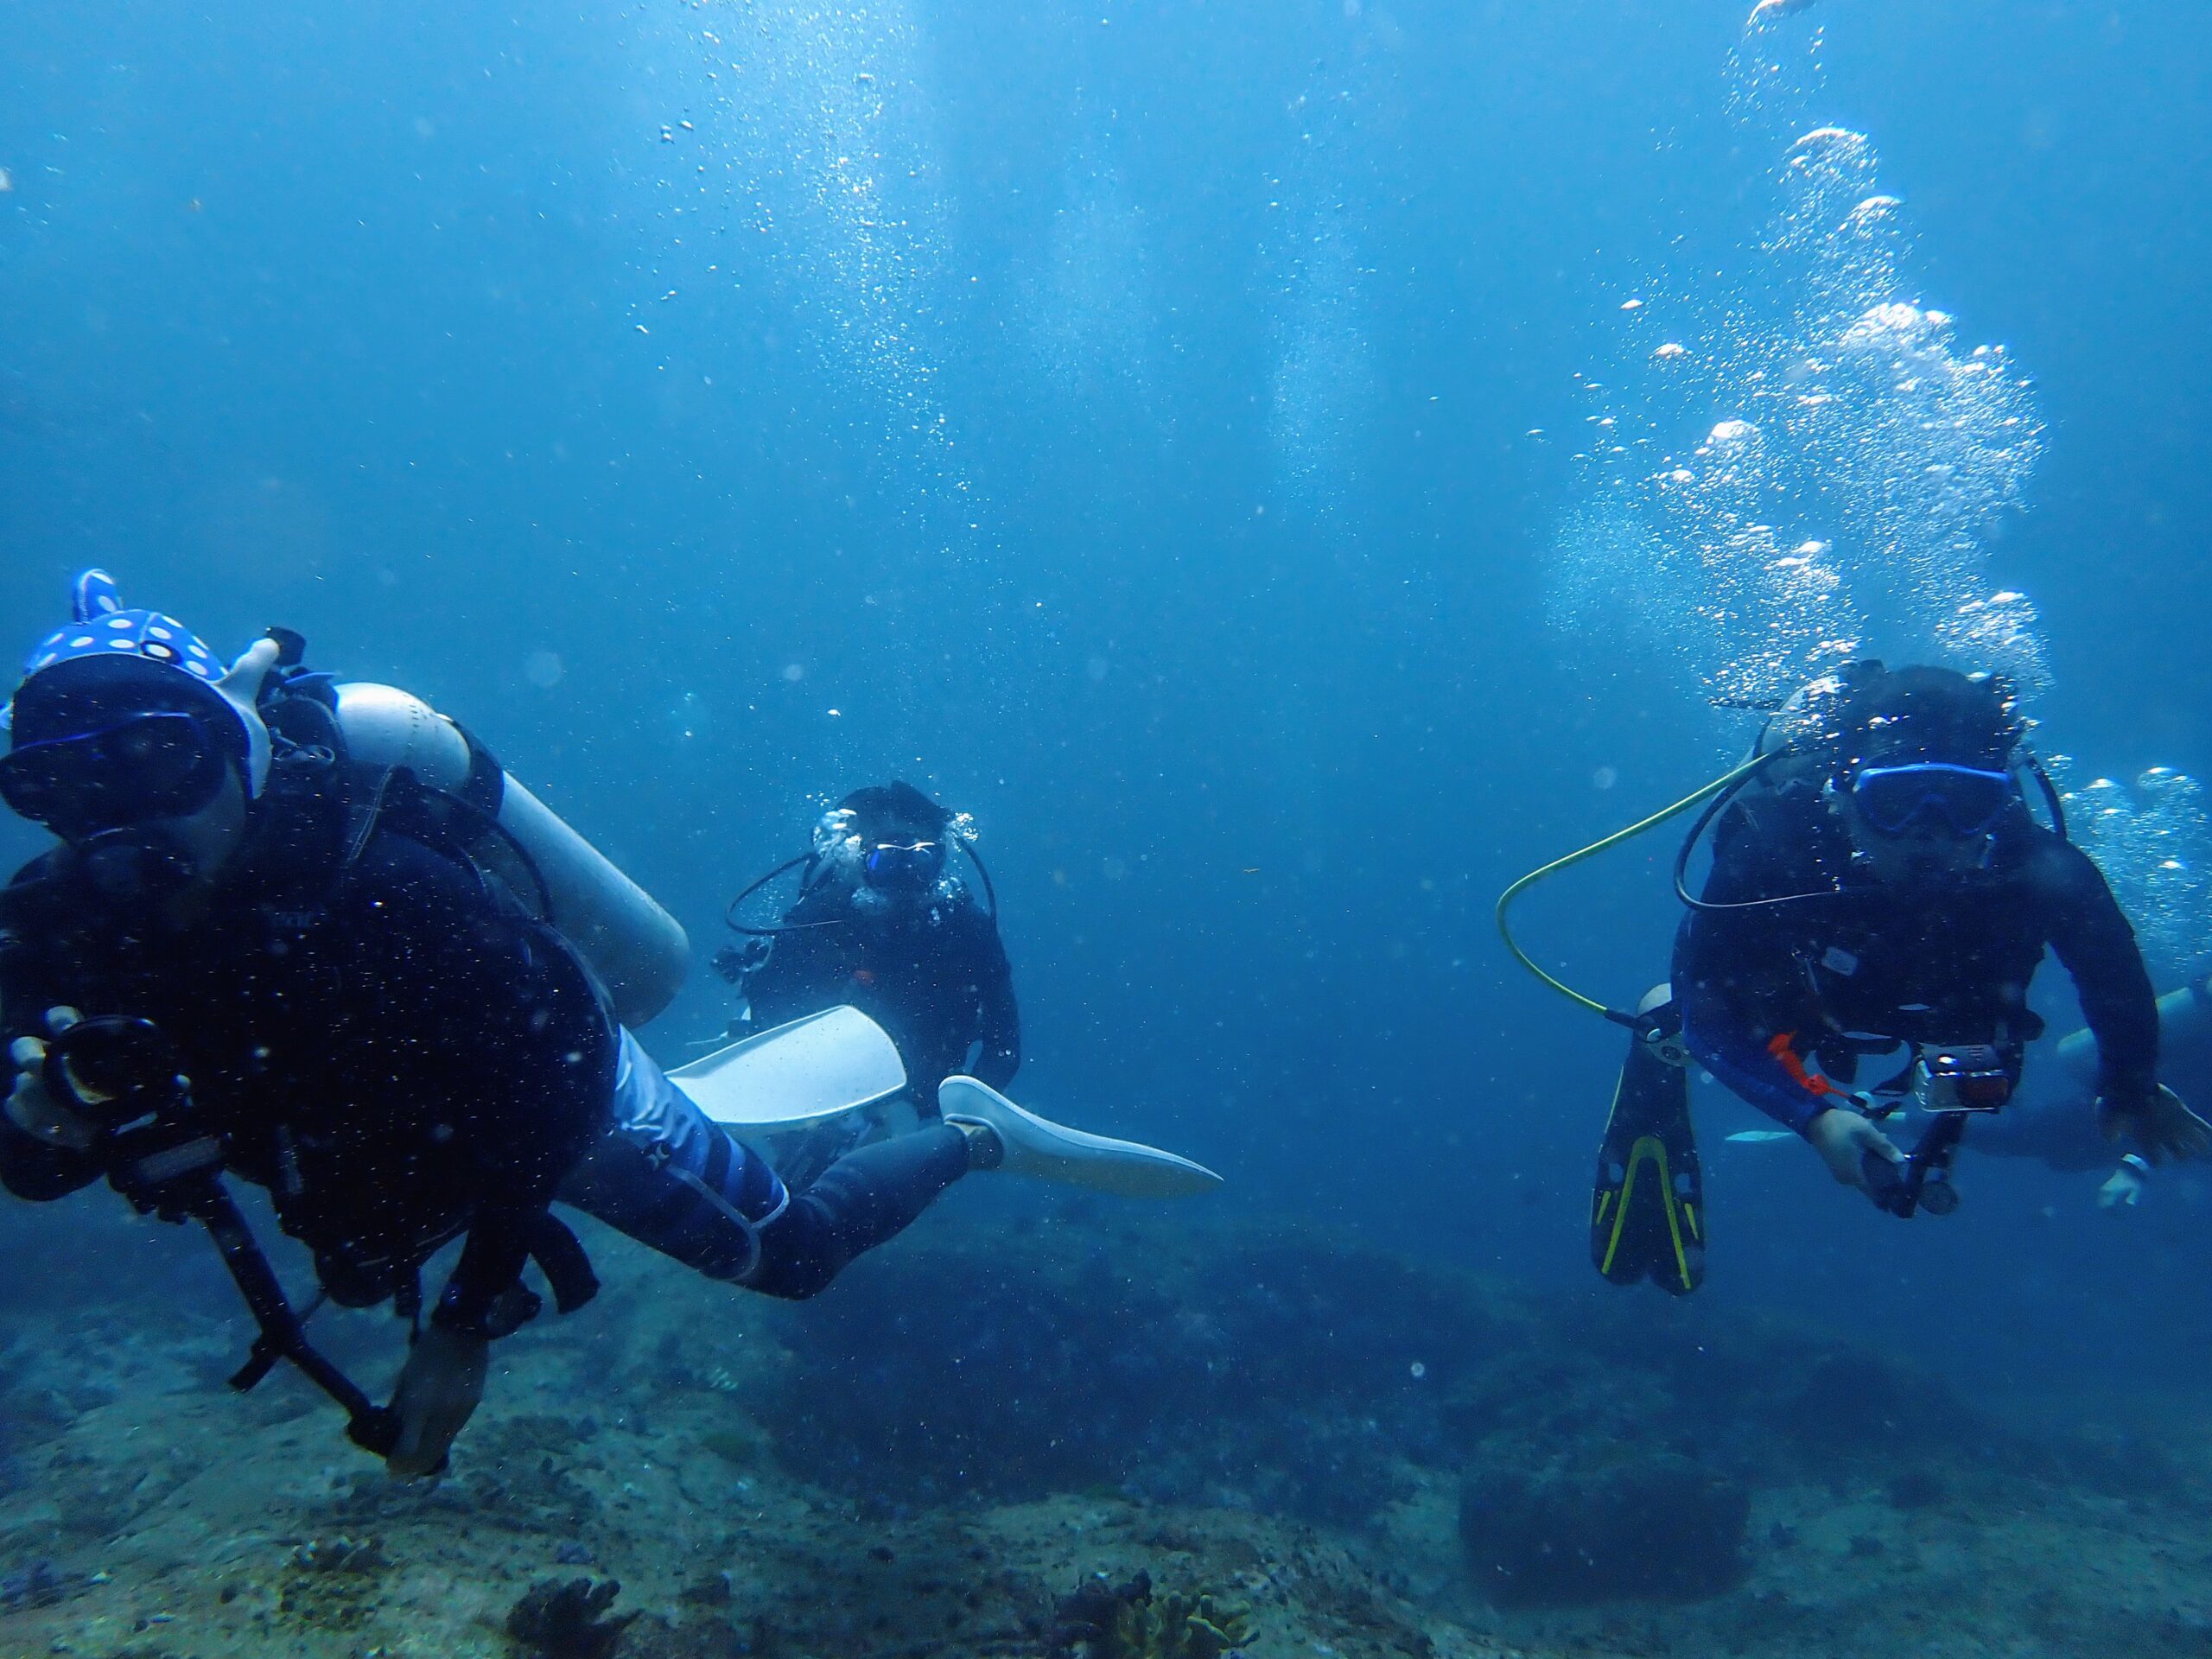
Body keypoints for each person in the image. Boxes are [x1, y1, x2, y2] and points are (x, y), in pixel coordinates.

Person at [0, 572, 1006, 1478]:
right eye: (62, 785)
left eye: (157, 761)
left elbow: (559, 1073)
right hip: (386, 1137)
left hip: (565, 1095)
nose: (120, 825)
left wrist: (465, 1319)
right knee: (360, 1264)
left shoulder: (386, 890)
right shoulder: (51, 930)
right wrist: (55, 1117)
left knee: (793, 1260)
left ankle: (972, 1134)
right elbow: (30, 1167)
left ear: (241, 747)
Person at [1671, 663, 2209, 1207]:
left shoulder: (2040, 868)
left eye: (1966, 804)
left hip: (1945, 1015)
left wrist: (2129, 1087)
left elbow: (2114, 980)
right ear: (1842, 795)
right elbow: (1704, 1006)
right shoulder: (1775, 852)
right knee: (1670, 1021)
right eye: (1897, 802)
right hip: (1808, 1005)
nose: (1930, 834)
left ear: (1999, 807)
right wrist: (1811, 1118)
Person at [719, 781, 1020, 1102]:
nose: (907, 878)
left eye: (922, 861)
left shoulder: (966, 927)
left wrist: (964, 1114)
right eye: (887, 862)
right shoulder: (822, 916)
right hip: (822, 1090)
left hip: (924, 1092)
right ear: (860, 860)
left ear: (941, 861)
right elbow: (771, 1008)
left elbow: (1004, 1042)